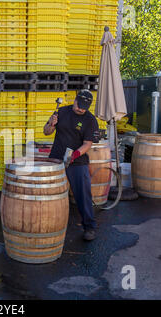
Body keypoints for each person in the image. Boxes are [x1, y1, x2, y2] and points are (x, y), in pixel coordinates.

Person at [43, 89, 100, 241]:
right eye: (79, 104)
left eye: (84, 107)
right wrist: (51, 124)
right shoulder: (61, 112)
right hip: (56, 158)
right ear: (74, 100)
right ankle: (47, 225)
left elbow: (88, 144)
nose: (80, 108)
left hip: (77, 161)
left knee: (83, 195)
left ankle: (89, 227)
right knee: (48, 194)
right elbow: (46, 132)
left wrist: (74, 155)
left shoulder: (90, 120)